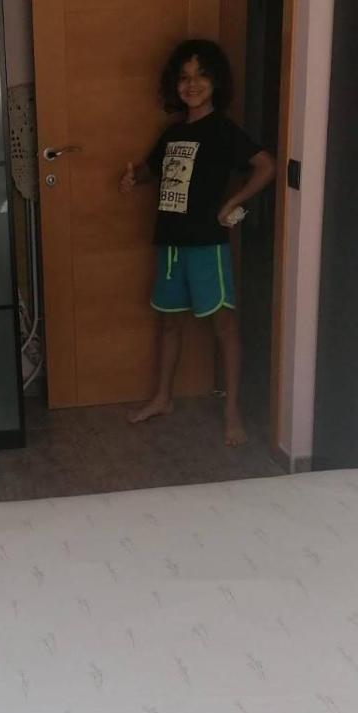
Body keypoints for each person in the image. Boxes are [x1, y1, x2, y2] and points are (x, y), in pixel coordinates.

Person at [119, 39, 275, 446]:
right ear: (175, 84)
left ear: (216, 81)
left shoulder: (223, 130)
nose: (192, 84)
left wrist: (234, 202)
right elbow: (153, 170)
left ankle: (232, 412)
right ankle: (163, 398)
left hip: (208, 244)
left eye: (201, 76)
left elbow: (266, 166)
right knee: (170, 322)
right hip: (170, 243)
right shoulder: (173, 132)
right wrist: (135, 177)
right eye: (184, 77)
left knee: (224, 325)